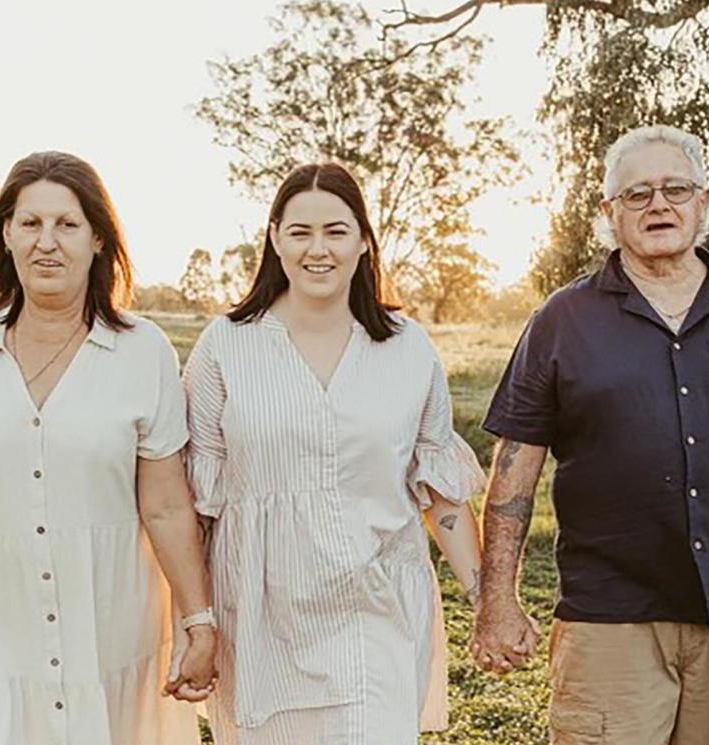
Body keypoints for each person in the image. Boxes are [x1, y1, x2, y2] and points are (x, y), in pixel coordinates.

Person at [473, 125, 709, 745]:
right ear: (609, 213)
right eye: (637, 194)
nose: (658, 205)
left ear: (704, 203)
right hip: (608, 620)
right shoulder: (561, 321)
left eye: (676, 189)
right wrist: (497, 600)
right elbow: (514, 467)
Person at [0, 151, 215, 744]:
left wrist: (197, 620)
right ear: (6, 235)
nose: (46, 243)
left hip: (111, 628)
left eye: (67, 224)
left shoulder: (142, 351)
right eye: (30, 224)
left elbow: (165, 504)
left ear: (99, 240)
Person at [182, 162, 485, 745]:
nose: (317, 249)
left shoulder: (406, 347)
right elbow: (197, 504)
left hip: (378, 606)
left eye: (336, 231)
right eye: (300, 232)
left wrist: (485, 599)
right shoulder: (226, 345)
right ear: (274, 238)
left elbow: (439, 494)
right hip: (263, 612)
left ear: (364, 242)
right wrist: (195, 623)